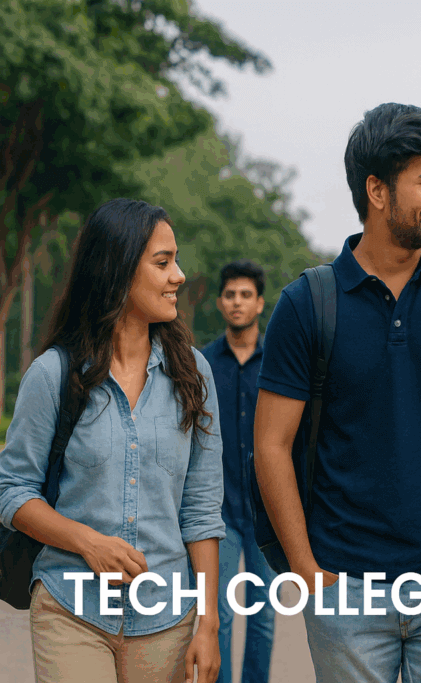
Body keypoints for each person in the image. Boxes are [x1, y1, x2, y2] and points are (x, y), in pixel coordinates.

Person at [253, 103, 421, 683]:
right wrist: (305, 568)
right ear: (377, 191)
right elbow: (271, 445)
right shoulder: (306, 304)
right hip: (344, 587)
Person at [0, 198, 224, 683]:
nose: (179, 276)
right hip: (70, 608)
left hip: (168, 620)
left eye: (175, 261)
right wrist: (87, 542)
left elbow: (202, 510)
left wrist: (209, 624)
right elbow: (12, 489)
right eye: (162, 263)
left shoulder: (196, 375)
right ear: (117, 272)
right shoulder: (54, 374)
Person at [201, 260, 276, 683]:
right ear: (219, 302)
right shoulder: (204, 362)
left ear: (260, 303)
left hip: (268, 514)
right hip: (220, 512)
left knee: (264, 615)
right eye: (230, 294)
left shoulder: (277, 361)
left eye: (246, 294)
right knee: (222, 614)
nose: (237, 302)